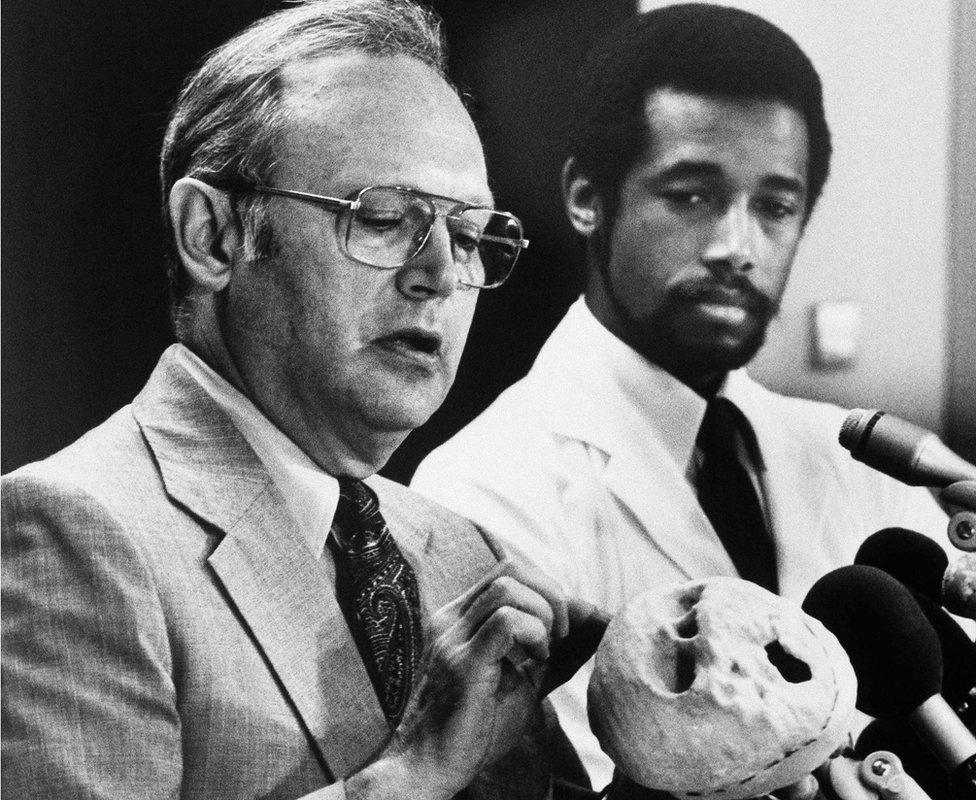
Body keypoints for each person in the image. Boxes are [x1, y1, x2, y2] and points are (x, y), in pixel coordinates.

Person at [1, 2, 595, 798]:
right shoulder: (75, 533)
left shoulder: (467, 556)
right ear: (211, 235)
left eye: (468, 235)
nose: (440, 276)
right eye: (385, 218)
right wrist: (411, 777)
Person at [411, 3, 956, 789]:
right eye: (693, 195)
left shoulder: (862, 459)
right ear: (587, 198)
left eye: (774, 206)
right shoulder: (481, 493)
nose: (738, 248)